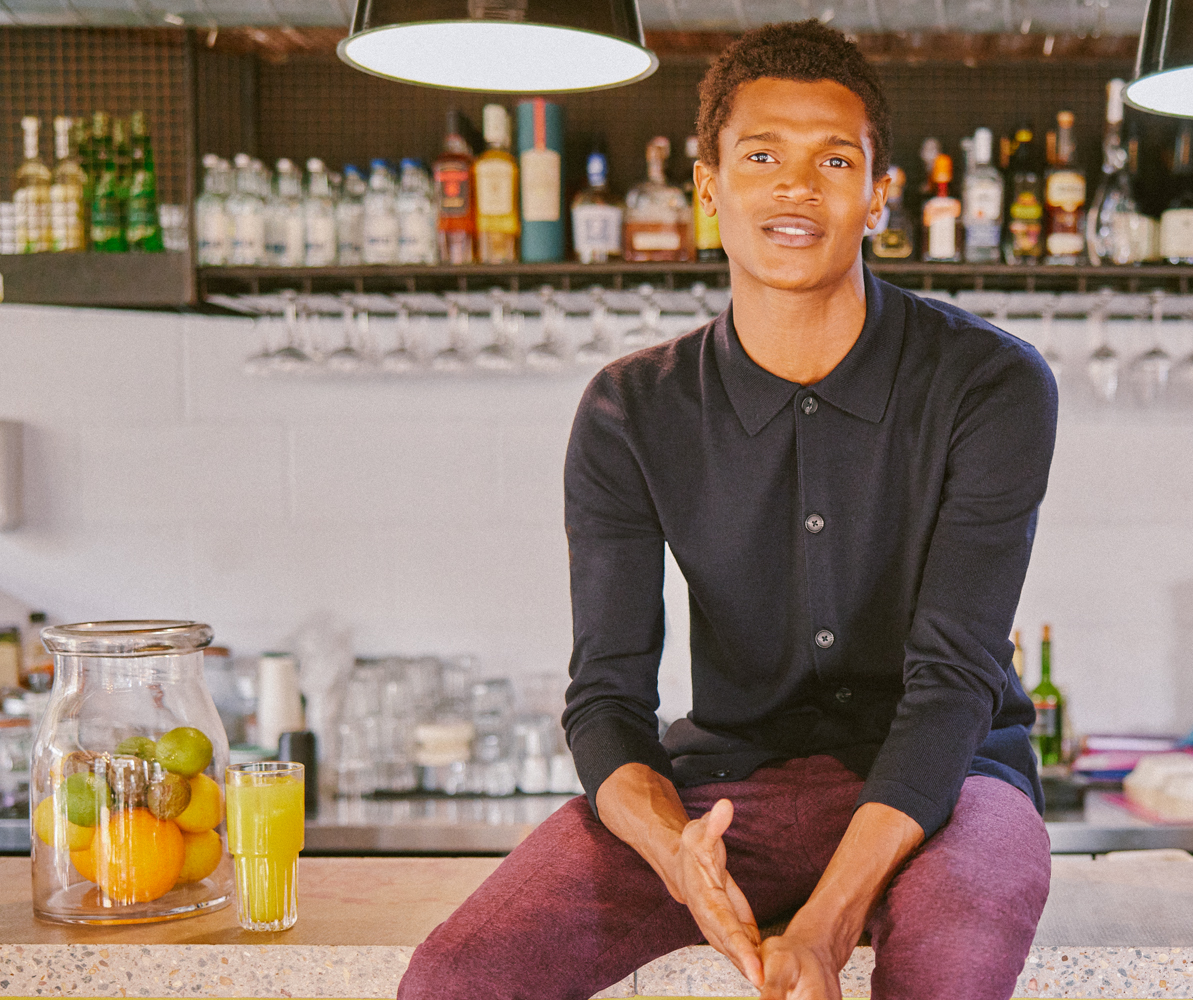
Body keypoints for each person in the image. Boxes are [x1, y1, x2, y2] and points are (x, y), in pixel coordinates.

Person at [398, 19, 1058, 1000]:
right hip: (723, 792)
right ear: (707, 187)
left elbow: (954, 684)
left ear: (879, 195)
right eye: (761, 155)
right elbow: (606, 701)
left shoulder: (989, 384)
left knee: (945, 975)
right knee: (454, 981)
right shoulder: (632, 408)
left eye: (834, 159)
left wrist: (827, 926)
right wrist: (676, 854)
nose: (796, 186)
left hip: (951, 786)